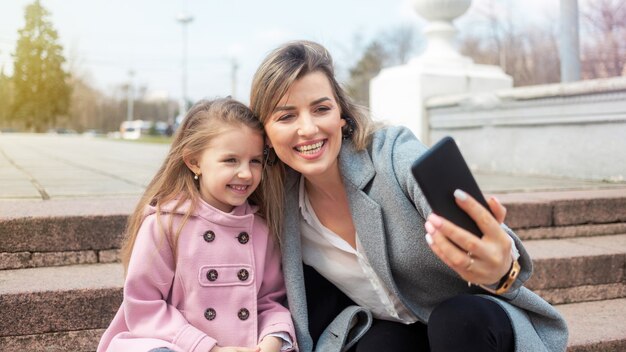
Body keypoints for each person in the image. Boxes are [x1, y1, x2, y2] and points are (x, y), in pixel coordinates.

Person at [249, 40, 568, 352]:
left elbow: (489, 243)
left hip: (474, 320)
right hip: (396, 329)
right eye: (286, 116)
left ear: (341, 116)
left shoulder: (392, 153)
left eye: (321, 109)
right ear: (265, 134)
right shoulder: (278, 200)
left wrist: (499, 261)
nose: (308, 128)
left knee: (454, 322)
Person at [97, 98, 296, 352]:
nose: (246, 173)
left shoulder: (260, 229)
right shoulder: (166, 223)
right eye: (231, 160)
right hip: (174, 343)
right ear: (194, 162)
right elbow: (144, 303)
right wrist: (208, 348)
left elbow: (270, 301)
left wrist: (273, 339)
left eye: (255, 161)